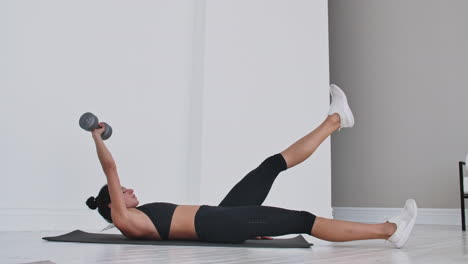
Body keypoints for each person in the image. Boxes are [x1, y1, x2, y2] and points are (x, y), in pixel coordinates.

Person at [86, 84, 417, 248]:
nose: (129, 190)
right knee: (302, 219)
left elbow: (118, 180)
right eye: (123, 192)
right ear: (113, 204)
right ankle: (390, 231)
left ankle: (335, 120)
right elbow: (111, 171)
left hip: (219, 215)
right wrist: (97, 137)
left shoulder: (136, 216)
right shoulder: (125, 219)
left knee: (270, 166)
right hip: (220, 224)